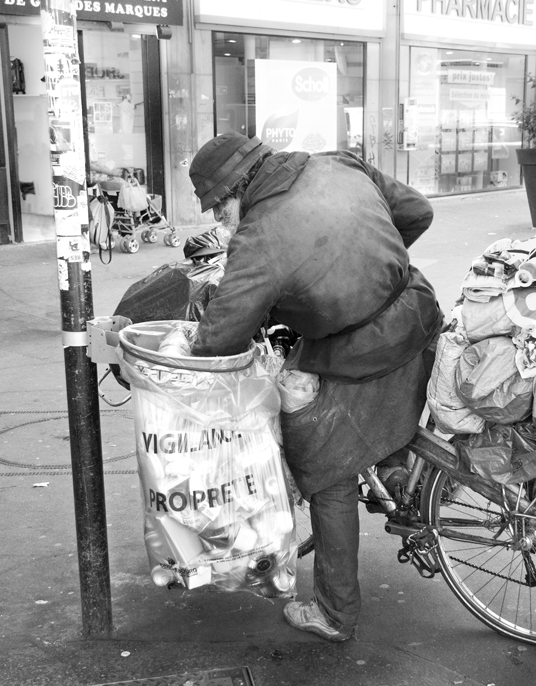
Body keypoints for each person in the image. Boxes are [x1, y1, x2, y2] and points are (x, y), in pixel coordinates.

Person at [187, 133, 443, 642]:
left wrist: (189, 350)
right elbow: (417, 213)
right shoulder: (336, 163)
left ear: (236, 191)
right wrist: (366, 266)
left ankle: (334, 613)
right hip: (418, 311)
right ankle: (396, 477)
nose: (219, 221)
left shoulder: (258, 237)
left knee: (327, 472)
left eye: (218, 209)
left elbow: (218, 339)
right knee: (381, 421)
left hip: (362, 349)